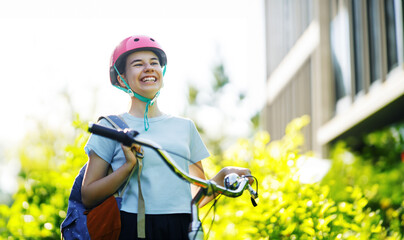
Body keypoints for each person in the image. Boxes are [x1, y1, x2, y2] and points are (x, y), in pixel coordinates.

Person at [81, 35, 253, 240]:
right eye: (138, 64)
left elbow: (195, 198)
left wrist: (221, 178)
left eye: (154, 63)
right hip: (130, 227)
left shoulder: (185, 127)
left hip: (179, 228)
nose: (149, 68)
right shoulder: (109, 127)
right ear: (121, 78)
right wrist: (128, 166)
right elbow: (88, 196)